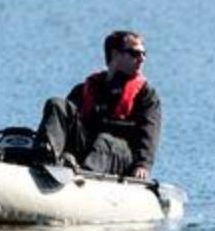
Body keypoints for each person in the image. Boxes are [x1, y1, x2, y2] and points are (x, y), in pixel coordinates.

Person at [35, 29, 163, 183]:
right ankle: (45, 158)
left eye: (144, 54)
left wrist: (143, 165)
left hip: (120, 154)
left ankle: (82, 177)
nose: (141, 59)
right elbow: (67, 123)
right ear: (115, 54)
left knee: (104, 141)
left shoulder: (146, 95)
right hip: (87, 144)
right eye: (134, 53)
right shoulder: (85, 89)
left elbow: (150, 133)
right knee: (56, 104)